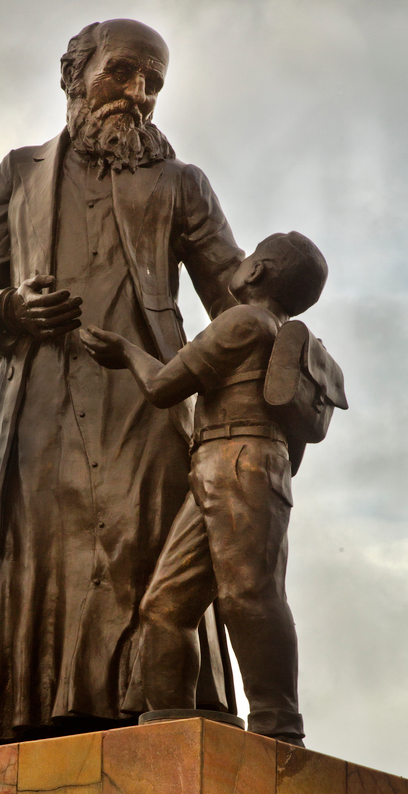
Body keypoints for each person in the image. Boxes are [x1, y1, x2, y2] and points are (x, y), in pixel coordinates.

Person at [0, 19, 244, 745]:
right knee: (43, 573)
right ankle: (32, 724)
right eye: (122, 72)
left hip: (148, 407)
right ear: (75, 73)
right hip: (39, 419)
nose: (137, 93)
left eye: (153, 83)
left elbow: (237, 301)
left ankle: (158, 724)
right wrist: (10, 308)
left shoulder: (180, 184)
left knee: (148, 567)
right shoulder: (19, 174)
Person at [81, 231, 331, 745]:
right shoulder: (269, 328)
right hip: (220, 463)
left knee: (249, 594)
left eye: (249, 259)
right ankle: (169, 730)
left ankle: (279, 728)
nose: (239, 264)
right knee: (166, 607)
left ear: (257, 272)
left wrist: (126, 351)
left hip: (239, 461)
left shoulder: (243, 321)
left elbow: (162, 386)